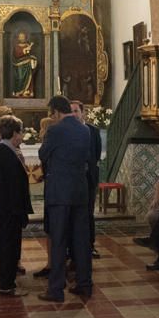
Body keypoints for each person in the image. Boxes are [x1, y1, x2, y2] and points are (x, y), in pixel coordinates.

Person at [38, 96, 93, 302]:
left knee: (59, 240)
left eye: (52, 114)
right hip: (80, 191)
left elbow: (43, 154)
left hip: (60, 192)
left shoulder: (55, 130)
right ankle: (84, 284)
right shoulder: (84, 130)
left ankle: (56, 290)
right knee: (81, 240)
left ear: (56, 112)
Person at [0, 115, 32, 297]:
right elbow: (12, 186)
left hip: (4, 208)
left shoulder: (1, 151)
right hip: (9, 209)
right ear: (14, 133)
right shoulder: (5, 154)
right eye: (20, 133)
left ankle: (4, 281)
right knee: (9, 246)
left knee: (7, 244)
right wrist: (18, 211)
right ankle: (6, 284)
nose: (21, 137)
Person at [70, 101, 103, 258]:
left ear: (83, 113)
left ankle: (90, 246)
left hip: (89, 179)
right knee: (72, 213)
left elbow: (95, 155)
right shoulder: (67, 131)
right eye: (71, 111)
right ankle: (72, 248)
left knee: (88, 213)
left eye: (76, 111)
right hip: (72, 181)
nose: (74, 114)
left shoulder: (93, 131)